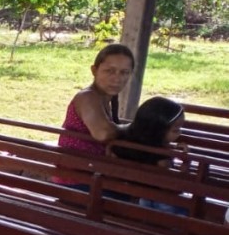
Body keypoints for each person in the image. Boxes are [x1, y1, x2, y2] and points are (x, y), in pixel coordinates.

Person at [56, 44, 135, 189]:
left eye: (124, 72)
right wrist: (138, 128)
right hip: (78, 181)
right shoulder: (87, 97)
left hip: (93, 175)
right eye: (109, 71)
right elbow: (103, 133)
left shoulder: (105, 98)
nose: (117, 79)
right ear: (94, 70)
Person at [112, 96, 189, 215]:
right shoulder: (160, 158)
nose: (180, 133)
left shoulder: (122, 142)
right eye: (175, 130)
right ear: (157, 130)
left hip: (125, 199)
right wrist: (185, 162)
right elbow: (174, 188)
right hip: (155, 206)